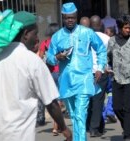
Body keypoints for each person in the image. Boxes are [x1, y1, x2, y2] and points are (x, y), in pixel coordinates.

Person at [0, 11, 72, 141]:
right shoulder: (32, 61)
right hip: (15, 134)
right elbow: (51, 103)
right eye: (35, 33)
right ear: (25, 34)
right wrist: (64, 128)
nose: (37, 38)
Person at [46, 2, 107, 141]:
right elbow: (49, 58)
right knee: (74, 116)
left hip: (84, 80)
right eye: (67, 17)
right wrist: (57, 57)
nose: (70, 20)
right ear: (63, 17)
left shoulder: (87, 32)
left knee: (80, 114)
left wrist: (100, 67)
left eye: (73, 17)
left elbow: (101, 49)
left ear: (76, 16)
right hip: (66, 81)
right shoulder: (57, 37)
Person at [38, 23, 63, 136]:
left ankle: (55, 126)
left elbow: (40, 57)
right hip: (60, 72)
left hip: (49, 73)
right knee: (59, 99)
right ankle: (56, 126)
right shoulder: (61, 42)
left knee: (52, 99)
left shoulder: (44, 43)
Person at [86, 15, 108, 137]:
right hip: (101, 72)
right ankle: (94, 128)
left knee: (89, 100)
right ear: (100, 25)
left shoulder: (85, 37)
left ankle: (94, 125)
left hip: (87, 72)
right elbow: (109, 56)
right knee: (98, 101)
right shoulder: (106, 38)